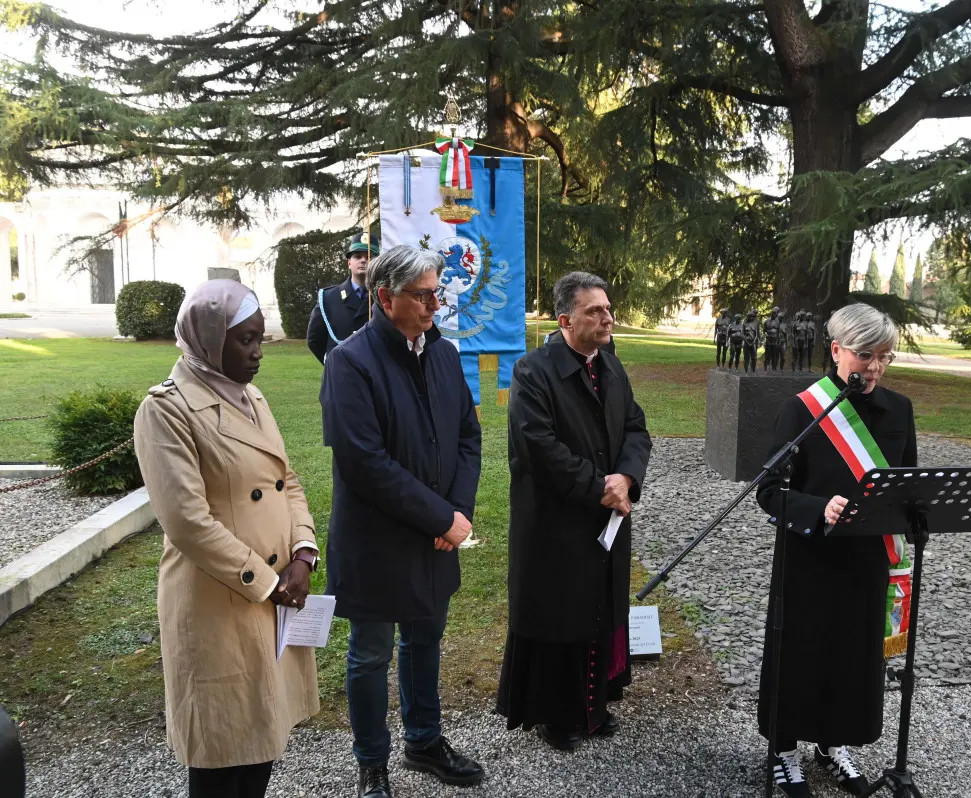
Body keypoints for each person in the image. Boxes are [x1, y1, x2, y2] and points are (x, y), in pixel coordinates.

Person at [133, 280, 320, 798]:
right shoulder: (165, 410)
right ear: (208, 338)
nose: (258, 352)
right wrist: (268, 582)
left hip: (277, 592)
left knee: (262, 738)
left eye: (260, 337)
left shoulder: (251, 396)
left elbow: (288, 480)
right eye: (245, 341)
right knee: (220, 751)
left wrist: (303, 553)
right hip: (220, 602)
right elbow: (187, 521)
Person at [320, 245, 484, 797]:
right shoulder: (350, 362)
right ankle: (372, 764)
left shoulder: (441, 353)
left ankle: (424, 741)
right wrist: (442, 517)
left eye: (438, 292)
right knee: (371, 654)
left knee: (425, 639)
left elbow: (467, 436)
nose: (435, 304)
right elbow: (365, 464)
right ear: (385, 298)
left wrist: (456, 514)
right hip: (376, 542)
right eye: (423, 295)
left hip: (434, 539)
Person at [756, 303, 915, 798]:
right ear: (836, 350)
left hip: (867, 559)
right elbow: (768, 492)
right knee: (800, 653)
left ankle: (834, 741)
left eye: (885, 357)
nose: (874, 368)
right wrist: (817, 508)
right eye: (865, 355)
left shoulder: (899, 410)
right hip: (809, 558)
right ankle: (784, 749)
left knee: (854, 656)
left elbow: (906, 484)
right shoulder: (801, 410)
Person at [497, 271, 652, 752]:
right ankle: (555, 716)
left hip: (604, 517)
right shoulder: (532, 371)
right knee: (559, 615)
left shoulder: (610, 365)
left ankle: (595, 705)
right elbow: (536, 447)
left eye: (607, 309)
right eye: (594, 311)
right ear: (565, 320)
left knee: (599, 609)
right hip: (555, 521)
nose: (607, 318)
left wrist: (625, 478)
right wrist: (599, 487)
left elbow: (635, 428)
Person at [306, 232, 380, 363]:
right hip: (341, 374)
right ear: (349, 263)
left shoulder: (383, 297)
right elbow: (314, 340)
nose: (364, 260)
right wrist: (332, 364)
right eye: (358, 256)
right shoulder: (329, 297)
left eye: (369, 257)